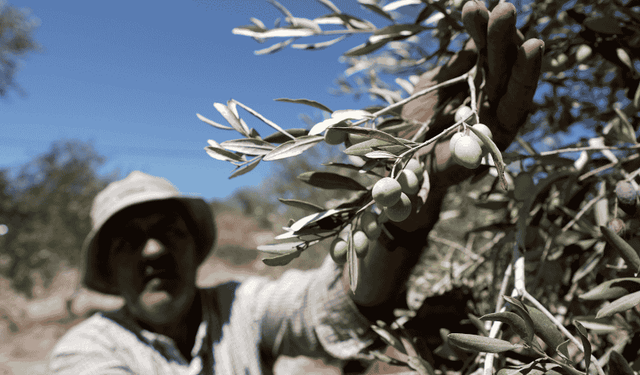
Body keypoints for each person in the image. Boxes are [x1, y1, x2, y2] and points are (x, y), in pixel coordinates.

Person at [48, 3, 543, 374]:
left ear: (192, 246)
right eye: (130, 240)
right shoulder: (86, 352)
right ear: (109, 267)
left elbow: (343, 308)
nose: (153, 249)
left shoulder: (237, 308)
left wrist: (415, 181)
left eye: (167, 231)